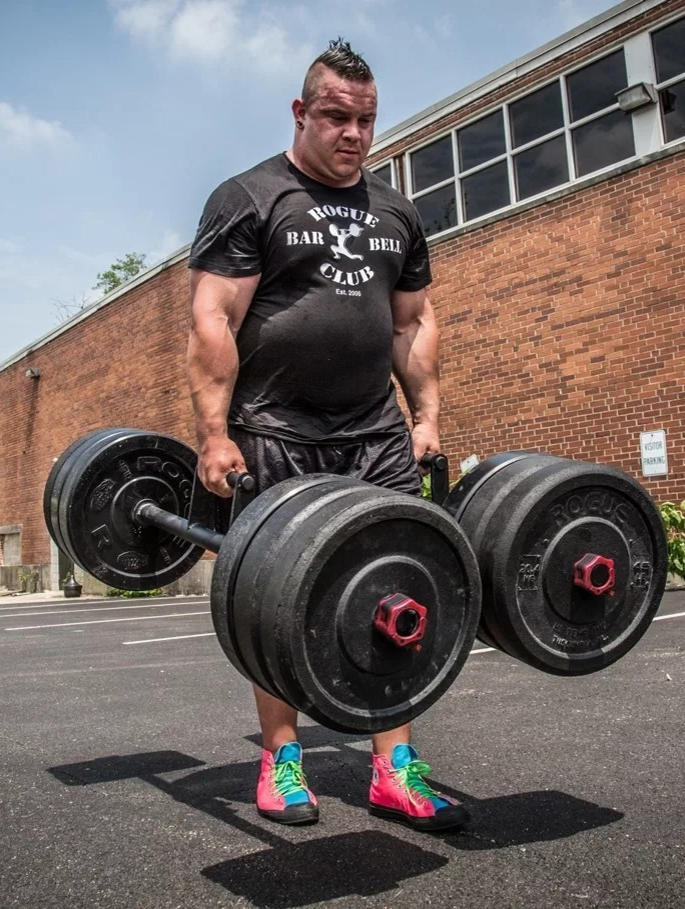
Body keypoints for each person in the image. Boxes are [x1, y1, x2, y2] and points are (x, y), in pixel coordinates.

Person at [185, 39, 467, 832]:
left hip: (372, 430)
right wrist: (214, 433)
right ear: (301, 113)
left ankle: (394, 767)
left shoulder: (396, 212)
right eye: (336, 117)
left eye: (366, 120)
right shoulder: (249, 197)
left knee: (397, 582)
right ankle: (281, 758)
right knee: (278, 599)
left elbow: (412, 324)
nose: (353, 134)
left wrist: (426, 420)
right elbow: (215, 318)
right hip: (275, 429)